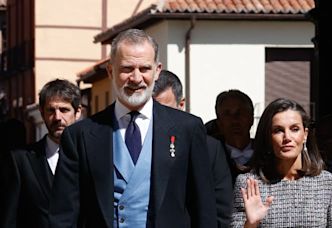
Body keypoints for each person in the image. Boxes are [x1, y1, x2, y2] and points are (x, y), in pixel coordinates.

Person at [49, 29, 217, 227]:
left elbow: (203, 209)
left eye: (144, 69)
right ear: (111, 70)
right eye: (127, 69)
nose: (136, 78)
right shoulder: (80, 136)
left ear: (157, 71)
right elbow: (64, 215)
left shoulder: (187, 128)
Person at [231, 98, 332, 227]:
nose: (287, 138)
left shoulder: (328, 183)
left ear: (305, 134)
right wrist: (251, 223)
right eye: (278, 130)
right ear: (268, 137)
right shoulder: (249, 184)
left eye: (294, 129)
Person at [153, 69, 233, 228]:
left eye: (165, 110)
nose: (157, 117)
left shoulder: (209, 148)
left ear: (181, 104)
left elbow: (221, 211)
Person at [0, 79, 82, 228]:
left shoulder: (92, 157)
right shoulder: (20, 161)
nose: (57, 117)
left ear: (77, 113)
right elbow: (9, 218)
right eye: (51, 110)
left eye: (64, 110)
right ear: (42, 113)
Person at [215, 89, 254, 184]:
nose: (235, 120)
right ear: (219, 123)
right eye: (227, 114)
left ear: (251, 119)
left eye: (240, 113)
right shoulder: (211, 158)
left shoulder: (268, 154)